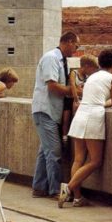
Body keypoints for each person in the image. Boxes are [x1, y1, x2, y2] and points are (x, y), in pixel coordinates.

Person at [59, 49, 112, 208]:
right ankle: (68, 189)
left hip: (80, 115)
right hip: (93, 118)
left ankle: (77, 198)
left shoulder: (92, 77)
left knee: (78, 159)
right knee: (95, 160)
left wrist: (110, 102)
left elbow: (97, 100)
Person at [31, 31, 80, 198]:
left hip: (50, 112)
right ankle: (55, 190)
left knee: (45, 151)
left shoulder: (60, 59)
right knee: (54, 152)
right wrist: (73, 91)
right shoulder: (52, 58)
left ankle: (39, 187)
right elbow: (52, 86)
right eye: (76, 45)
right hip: (45, 111)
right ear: (68, 42)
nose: (76, 49)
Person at [62, 54, 99, 144]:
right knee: (66, 118)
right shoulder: (74, 73)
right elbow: (73, 87)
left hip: (80, 99)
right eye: (92, 69)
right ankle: (64, 137)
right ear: (86, 66)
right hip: (70, 99)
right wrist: (76, 99)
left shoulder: (86, 77)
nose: (92, 72)